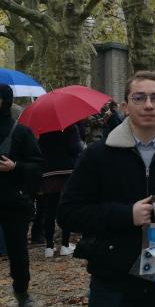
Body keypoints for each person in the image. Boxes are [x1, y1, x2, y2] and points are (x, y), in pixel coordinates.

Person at [57, 71, 155, 306]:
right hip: (111, 281)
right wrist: (126, 215)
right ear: (125, 106)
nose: (148, 105)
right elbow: (69, 213)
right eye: (139, 98)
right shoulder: (97, 156)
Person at [0, 84, 44, 307]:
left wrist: (15, 167)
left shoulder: (21, 132)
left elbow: (37, 166)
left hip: (14, 202)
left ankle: (22, 292)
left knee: (17, 251)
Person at [38, 126, 83, 258]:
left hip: (48, 174)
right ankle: (64, 245)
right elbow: (76, 149)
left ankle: (49, 247)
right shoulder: (71, 128)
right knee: (66, 209)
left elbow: (39, 152)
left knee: (49, 211)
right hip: (67, 173)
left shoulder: (44, 131)